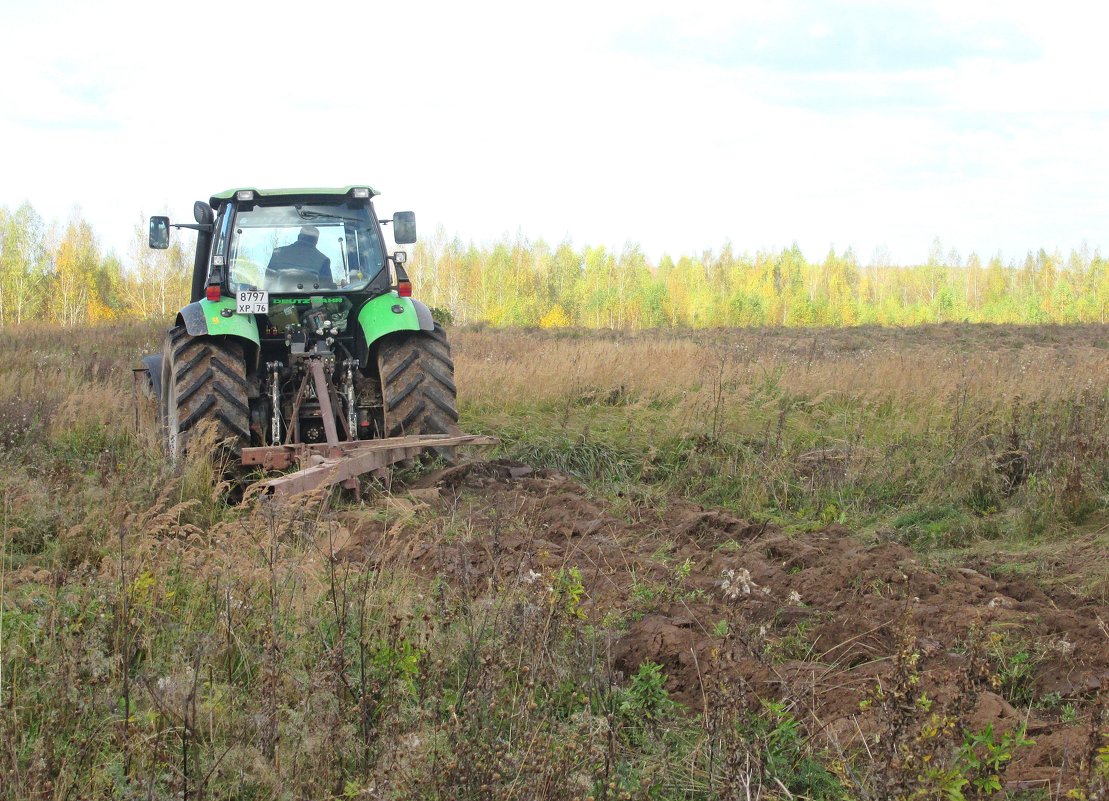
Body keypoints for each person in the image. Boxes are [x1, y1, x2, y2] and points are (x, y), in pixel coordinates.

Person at [266, 225, 332, 287]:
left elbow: (267, 282)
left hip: (277, 298)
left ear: (299, 237)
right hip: (310, 299)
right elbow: (327, 288)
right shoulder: (323, 260)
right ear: (316, 241)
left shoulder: (278, 253)